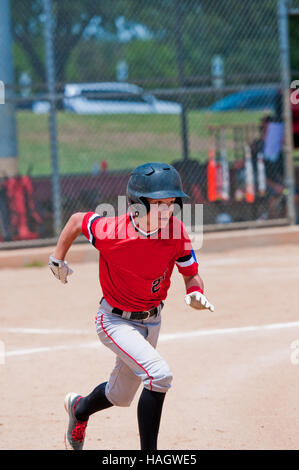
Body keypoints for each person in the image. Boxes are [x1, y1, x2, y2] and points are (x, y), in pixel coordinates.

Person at [48, 162, 214, 451]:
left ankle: (79, 409)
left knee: (120, 396)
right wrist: (57, 258)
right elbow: (76, 220)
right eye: (158, 203)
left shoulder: (175, 232)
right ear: (137, 204)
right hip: (114, 321)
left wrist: (195, 292)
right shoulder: (112, 231)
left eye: (170, 202)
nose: (166, 209)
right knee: (159, 375)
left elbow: (190, 274)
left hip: (151, 322)